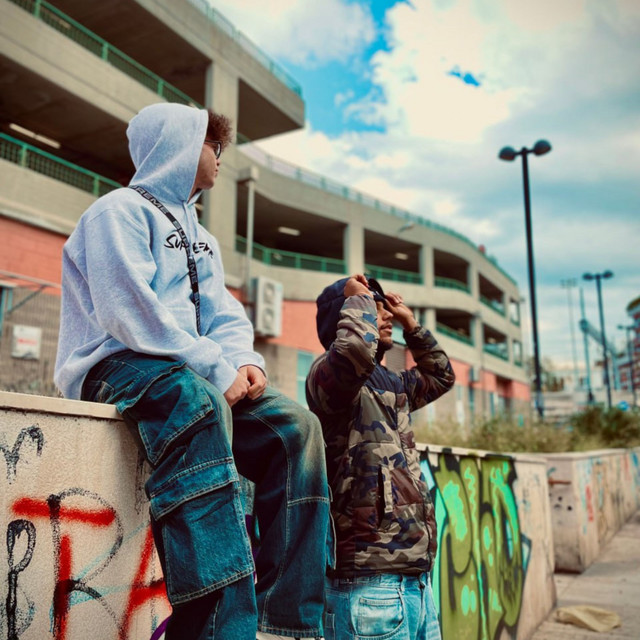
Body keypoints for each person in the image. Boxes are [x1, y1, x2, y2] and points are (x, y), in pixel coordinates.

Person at [54, 102, 329, 640]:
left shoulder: (202, 236)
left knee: (298, 429)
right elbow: (128, 310)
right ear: (178, 144)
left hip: (189, 370)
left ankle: (286, 623)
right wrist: (212, 368)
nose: (220, 157)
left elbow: (224, 315)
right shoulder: (118, 211)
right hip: (116, 362)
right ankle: (216, 628)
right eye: (213, 144)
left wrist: (243, 361)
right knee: (198, 405)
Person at [306, 274, 455, 640]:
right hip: (368, 584)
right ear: (347, 316)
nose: (386, 314)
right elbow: (352, 354)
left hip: (416, 580)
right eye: (375, 308)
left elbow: (441, 376)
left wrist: (412, 325)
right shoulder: (330, 378)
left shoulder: (393, 385)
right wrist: (356, 297)